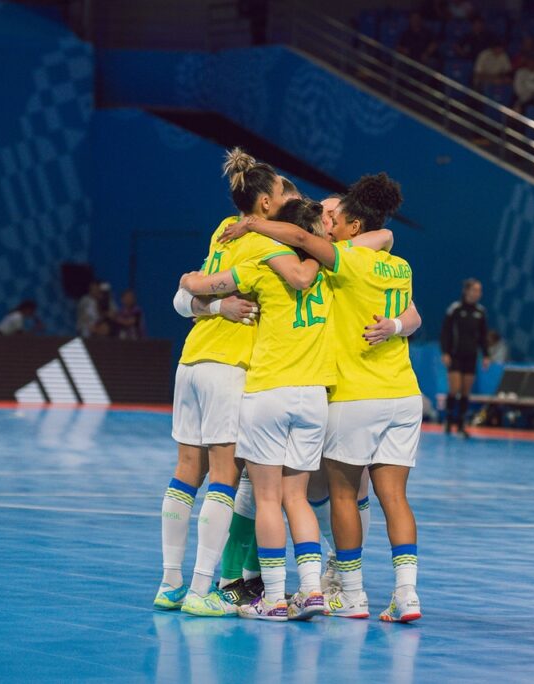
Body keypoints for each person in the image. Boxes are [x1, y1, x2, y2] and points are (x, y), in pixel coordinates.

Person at [219, 172, 425, 622]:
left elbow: (298, 238)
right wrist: (394, 325)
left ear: (352, 226)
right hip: (400, 393)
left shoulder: (337, 263)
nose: (325, 223)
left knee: (331, 494)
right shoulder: (398, 264)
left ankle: (337, 589)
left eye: (335, 217)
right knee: (384, 497)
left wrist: (251, 226)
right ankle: (403, 593)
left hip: (343, 394)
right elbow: (395, 262)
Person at [154, 148, 298, 618]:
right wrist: (225, 307)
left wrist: (213, 306)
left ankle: (170, 583)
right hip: (227, 367)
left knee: (184, 472)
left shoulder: (223, 230)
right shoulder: (267, 245)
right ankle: (201, 590)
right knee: (223, 476)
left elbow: (181, 298)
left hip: (191, 361)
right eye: (281, 193)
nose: (287, 200)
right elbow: (306, 250)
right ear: (263, 205)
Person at [180, 197, 333, 622]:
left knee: (266, 498)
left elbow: (196, 287)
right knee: (297, 499)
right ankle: (312, 591)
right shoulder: (335, 273)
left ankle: (275, 597)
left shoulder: (261, 268)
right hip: (314, 395)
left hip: (268, 391)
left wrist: (196, 279)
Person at [441, 278, 488, 437]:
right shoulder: (455, 309)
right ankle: (448, 421)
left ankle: (461, 424)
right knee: (455, 389)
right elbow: (445, 332)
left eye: (479, 290)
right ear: (466, 291)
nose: (477, 293)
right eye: (474, 290)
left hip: (471, 356)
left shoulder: (480, 312)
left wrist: (486, 355)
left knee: (466, 391)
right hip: (455, 355)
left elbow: (483, 336)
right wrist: (445, 352)